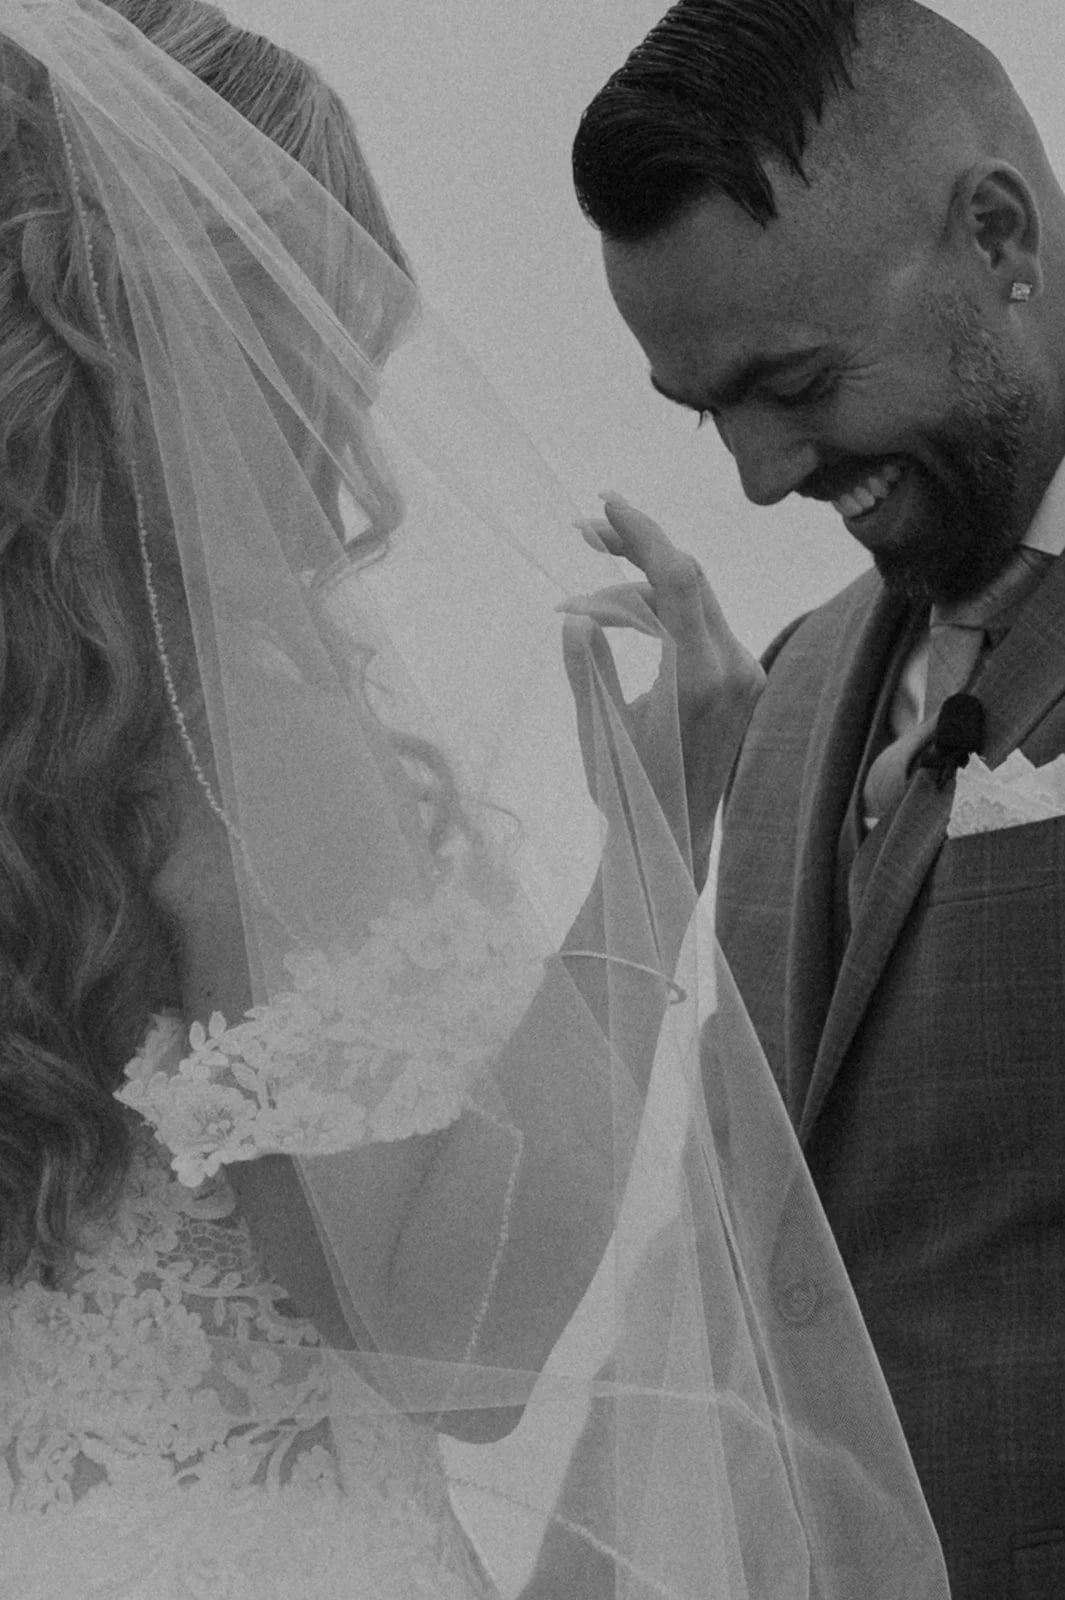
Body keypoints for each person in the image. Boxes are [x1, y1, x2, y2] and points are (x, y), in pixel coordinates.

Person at [0, 2, 950, 1597]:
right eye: (329, 331)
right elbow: (462, 1342)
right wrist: (658, 827)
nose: (356, 414)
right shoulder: (243, 748)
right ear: (223, 340)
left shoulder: (55, 760)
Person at [571, 0, 1065, 1595]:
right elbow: (730, 1250)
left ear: (999, 233)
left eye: (793, 379)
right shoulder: (784, 689)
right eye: (706, 409)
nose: (761, 474)